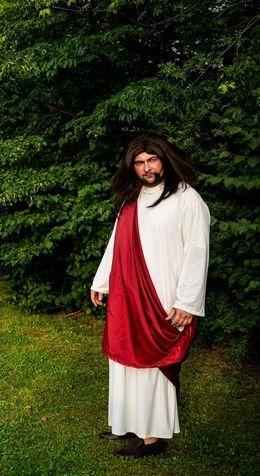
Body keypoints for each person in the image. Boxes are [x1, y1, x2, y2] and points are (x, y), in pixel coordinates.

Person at [90, 134, 210, 458]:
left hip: (163, 300)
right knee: (125, 362)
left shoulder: (188, 199)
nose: (147, 168)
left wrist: (187, 302)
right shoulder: (132, 198)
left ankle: (152, 439)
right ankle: (128, 423)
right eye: (140, 163)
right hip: (128, 296)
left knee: (152, 367)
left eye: (152, 160)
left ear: (165, 159)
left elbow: (198, 253)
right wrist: (101, 282)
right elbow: (116, 244)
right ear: (133, 167)